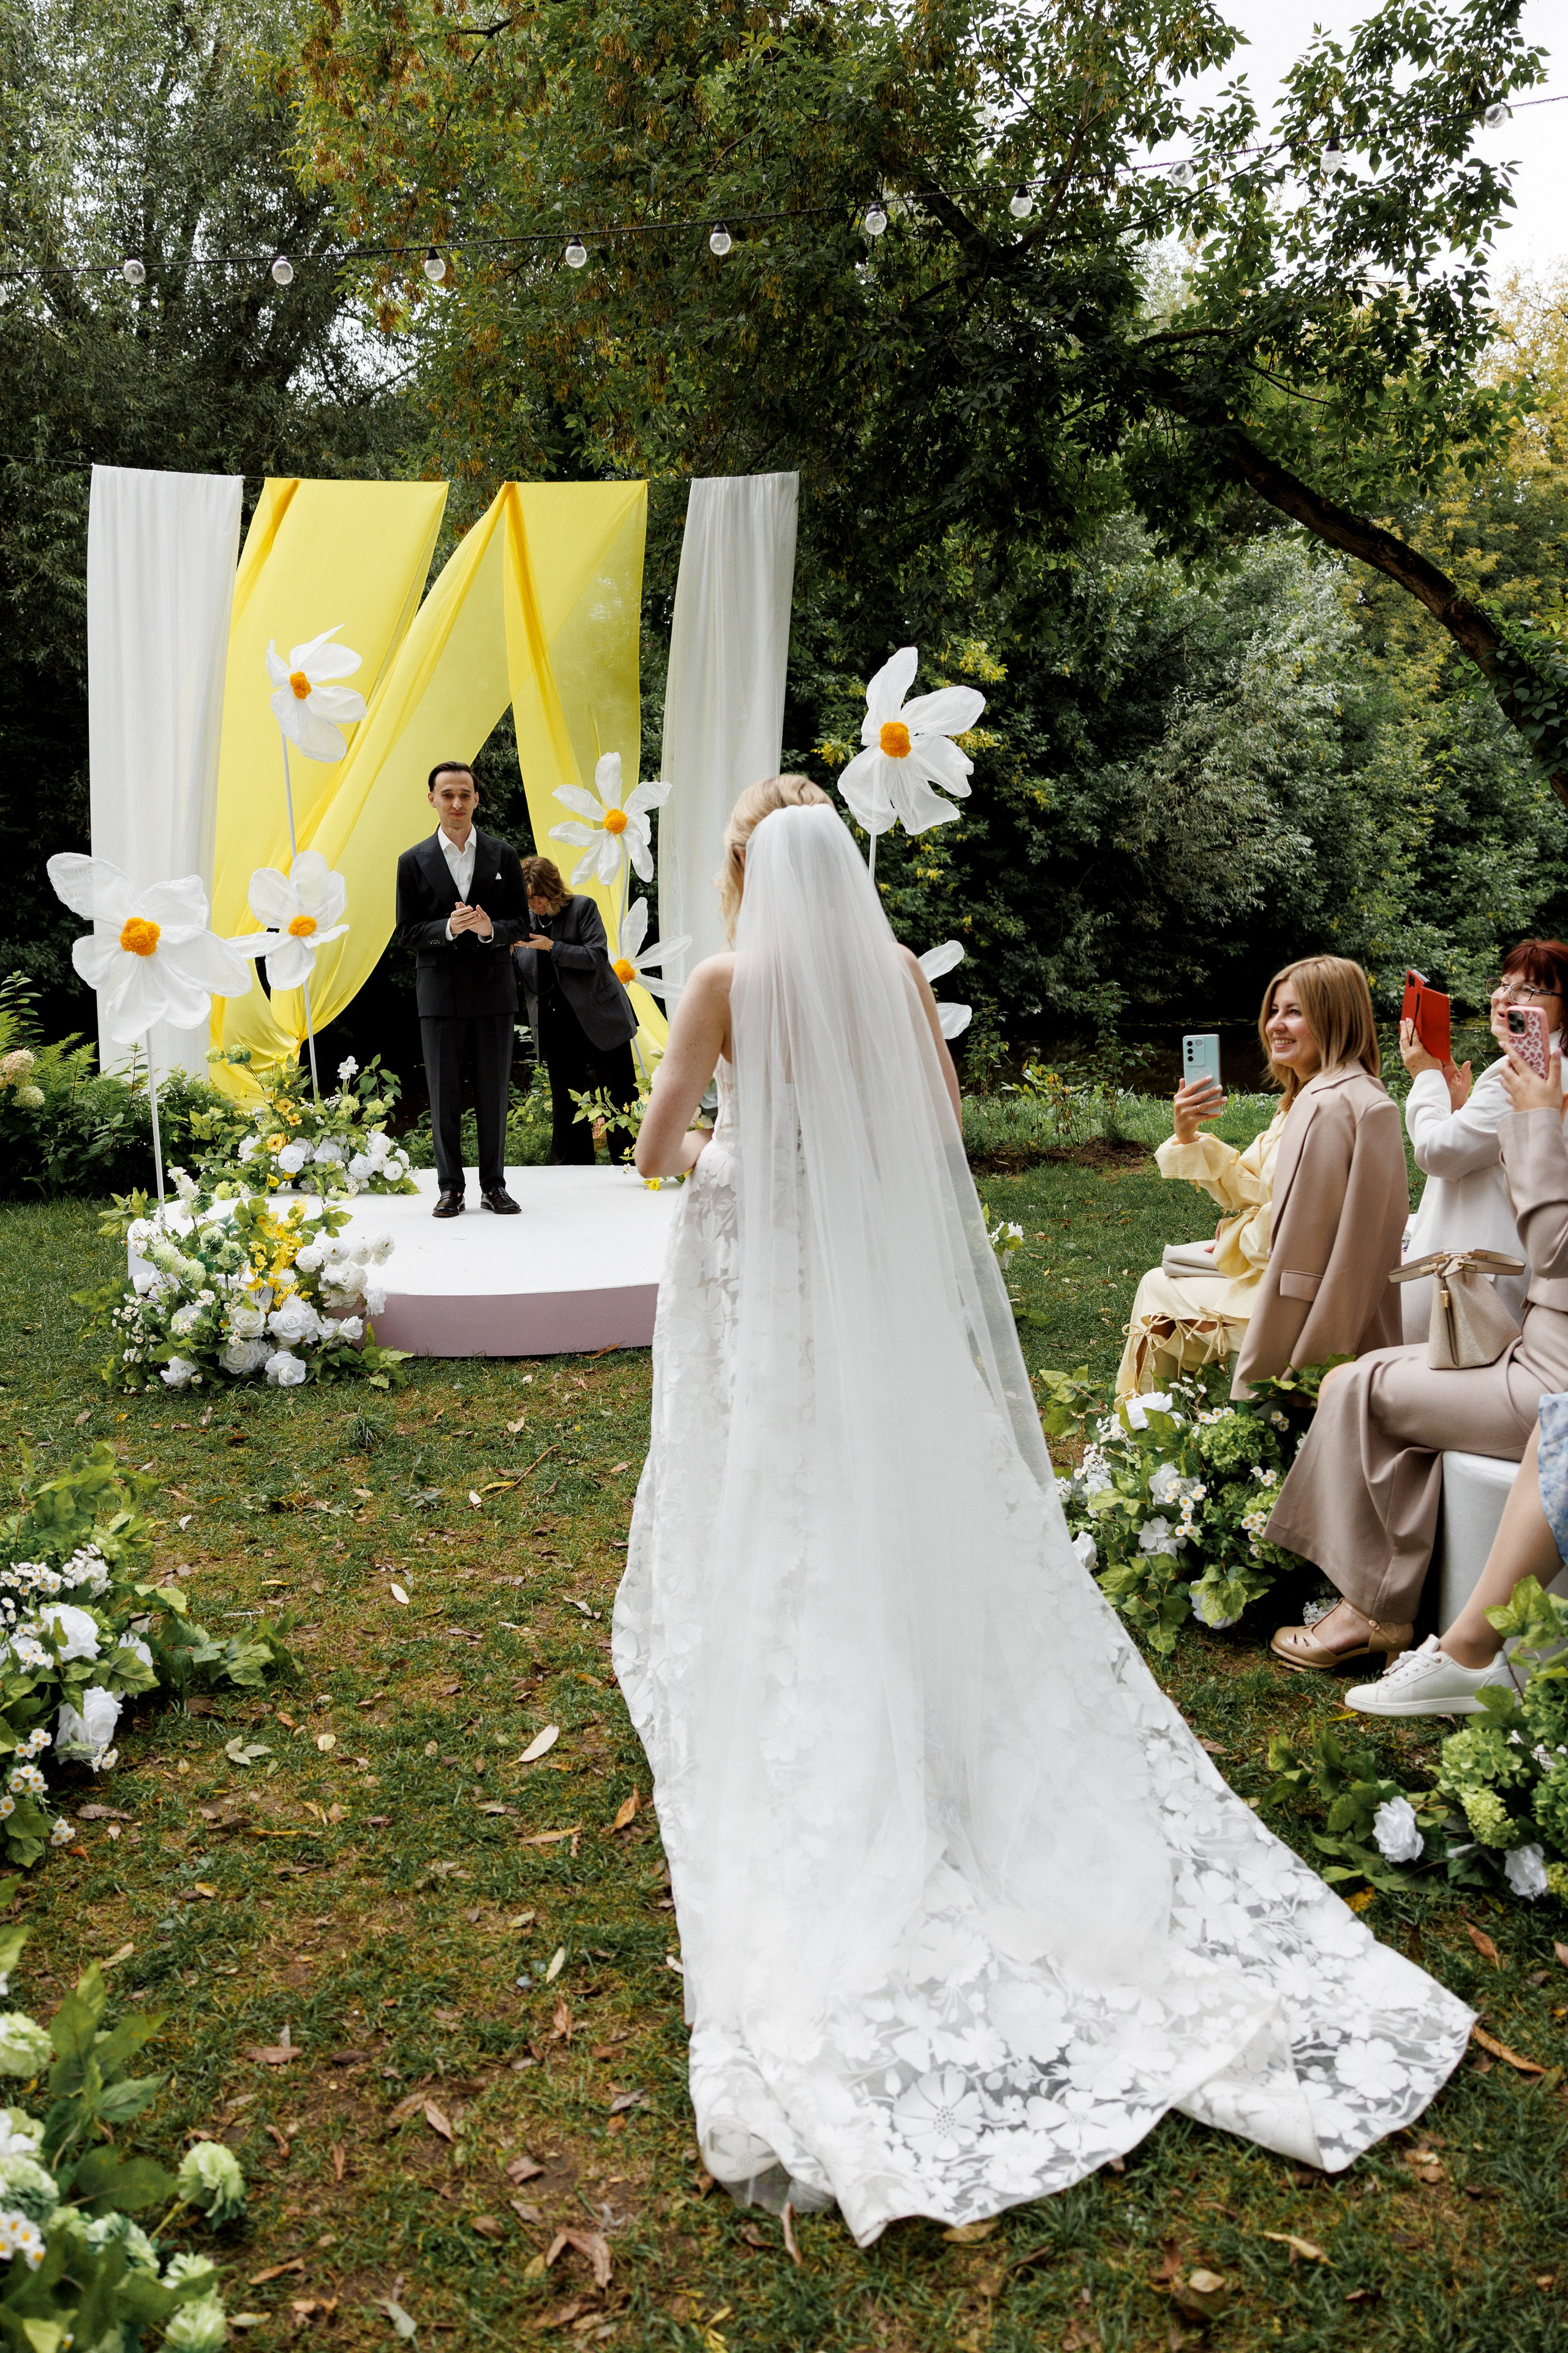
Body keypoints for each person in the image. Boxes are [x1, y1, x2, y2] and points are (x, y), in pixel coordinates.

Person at [612, 779, 1469, 2246]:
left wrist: (708, 1161)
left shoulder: (721, 979)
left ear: (748, 872)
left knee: (776, 1470)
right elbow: (932, 1126)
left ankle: (787, 1671)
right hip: (869, 1278)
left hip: (760, 1257)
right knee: (889, 1469)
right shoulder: (886, 974)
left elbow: (656, 1142)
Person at [1268, 1039, 1568, 1674]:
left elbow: (1553, 1247)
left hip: (1550, 1380)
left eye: (1534, 992)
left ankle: (1371, 1611)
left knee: (1360, 1388)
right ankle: (1375, 1594)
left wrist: (1536, 1122)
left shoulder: (1542, 1090)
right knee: (1353, 1377)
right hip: (1533, 1347)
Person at [1226, 957, 1406, 1400]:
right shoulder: (1324, 1096)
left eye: (1295, 1012)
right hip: (1296, 1307)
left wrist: (1300, 1374)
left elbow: (1345, 1261)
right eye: (1274, 1011)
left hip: (1313, 1331)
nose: (1275, 1026)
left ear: (1334, 1017)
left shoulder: (1342, 1106)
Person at [1396, 940, 1568, 1342]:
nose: (1503, 997)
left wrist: (1425, 1077)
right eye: (1503, 982)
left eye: (1528, 989)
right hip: (1495, 1266)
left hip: (1477, 1283)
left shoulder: (1530, 1069)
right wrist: (1458, 1108)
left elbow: (1437, 1154)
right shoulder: (1547, 1063)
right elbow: (1489, 1153)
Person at [395, 761, 527, 1218]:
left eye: (465, 794)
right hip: (440, 995)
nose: (456, 803)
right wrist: (446, 928)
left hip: (494, 991)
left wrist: (493, 929)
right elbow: (406, 931)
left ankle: (495, 1185)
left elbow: (522, 924)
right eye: (447, 794)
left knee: (493, 1094)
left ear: (476, 799)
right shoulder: (412, 861)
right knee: (443, 1093)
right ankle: (450, 1187)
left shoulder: (504, 855)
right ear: (431, 798)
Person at [512, 856, 639, 1165]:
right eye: (527, 897)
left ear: (553, 889)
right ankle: (571, 1169)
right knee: (567, 1101)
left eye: (538, 896)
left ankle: (631, 1162)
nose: (534, 903)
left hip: (602, 1018)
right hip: (557, 1023)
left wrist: (551, 947)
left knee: (620, 1095)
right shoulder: (522, 921)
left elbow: (596, 956)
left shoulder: (583, 907)